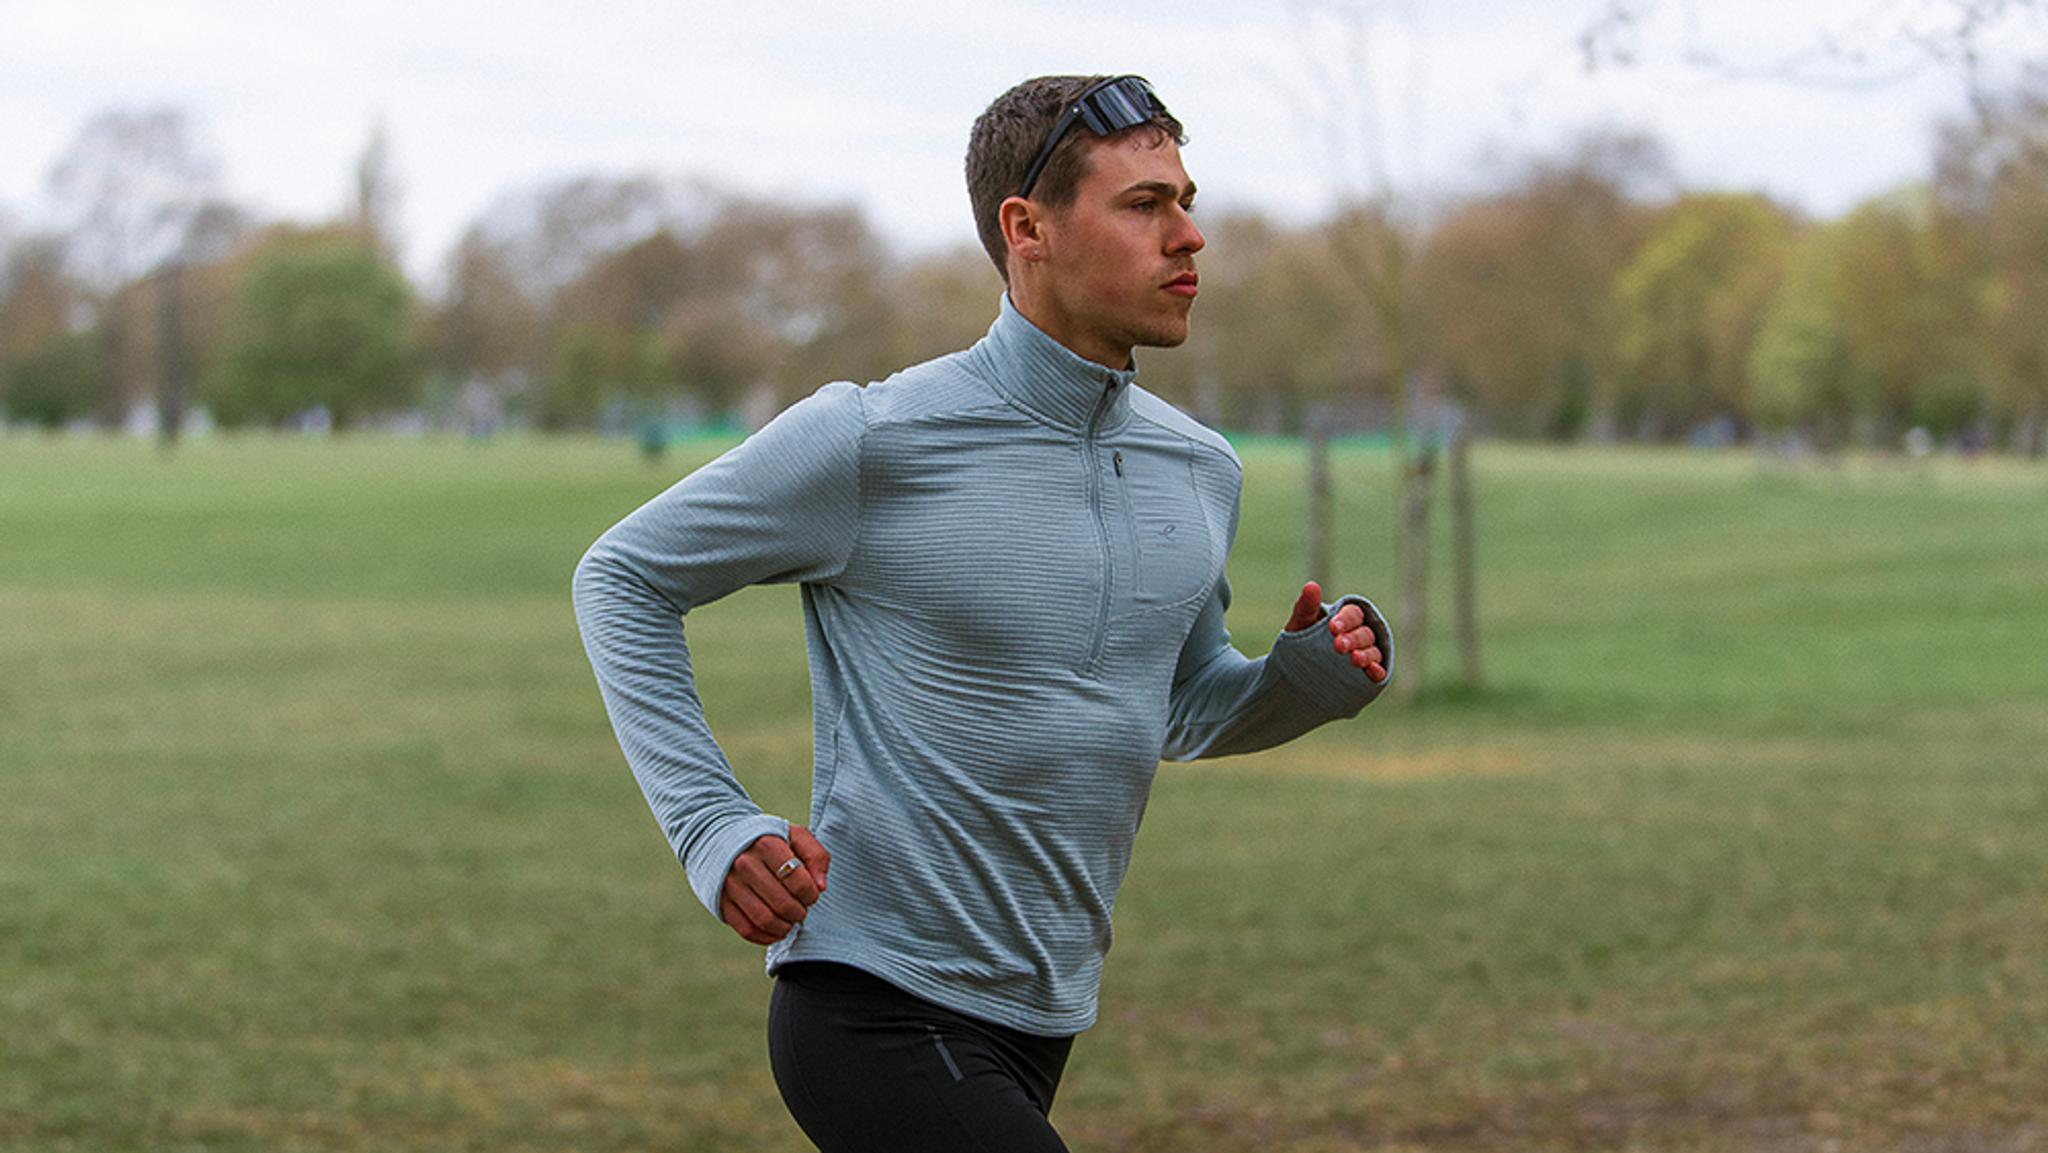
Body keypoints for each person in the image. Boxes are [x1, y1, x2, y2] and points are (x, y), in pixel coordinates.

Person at [573, 73, 1394, 1153]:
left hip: (1042, 1013)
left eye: (1185, 200)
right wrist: (710, 822)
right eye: (1143, 204)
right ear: (1027, 228)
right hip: (870, 1000)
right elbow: (622, 577)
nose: (1188, 236)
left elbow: (1182, 704)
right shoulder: (870, 440)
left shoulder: (1200, 468)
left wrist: (1300, 683)